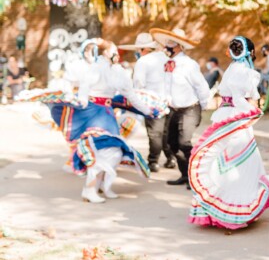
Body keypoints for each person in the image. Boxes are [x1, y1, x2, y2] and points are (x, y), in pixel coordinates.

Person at [18, 39, 161, 203]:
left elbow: (131, 95)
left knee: (115, 151)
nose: (117, 54)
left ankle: (102, 187)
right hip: (92, 114)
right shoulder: (96, 70)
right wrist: (79, 103)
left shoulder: (117, 72)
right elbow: (84, 91)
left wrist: (148, 111)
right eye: (114, 50)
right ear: (106, 53)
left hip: (106, 114)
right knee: (103, 151)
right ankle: (89, 189)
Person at [188, 36, 269, 229]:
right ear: (250, 52)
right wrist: (253, 109)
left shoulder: (230, 69)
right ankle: (235, 209)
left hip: (223, 115)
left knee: (222, 160)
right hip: (236, 118)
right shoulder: (247, 72)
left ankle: (215, 205)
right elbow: (240, 98)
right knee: (242, 162)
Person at [149, 28, 211, 189]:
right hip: (173, 110)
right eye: (166, 43)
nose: (166, 47)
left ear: (179, 46)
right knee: (171, 143)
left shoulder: (189, 65)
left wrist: (203, 106)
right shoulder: (167, 65)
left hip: (190, 109)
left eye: (170, 44)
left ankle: (195, 178)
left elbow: (202, 87)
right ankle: (185, 175)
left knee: (184, 142)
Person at [119, 33, 175, 173]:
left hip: (152, 101)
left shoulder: (142, 62)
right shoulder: (166, 58)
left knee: (155, 133)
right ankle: (171, 157)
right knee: (166, 132)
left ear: (142, 49)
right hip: (169, 100)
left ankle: (153, 161)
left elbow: (138, 83)